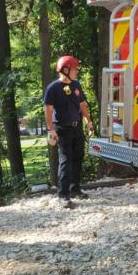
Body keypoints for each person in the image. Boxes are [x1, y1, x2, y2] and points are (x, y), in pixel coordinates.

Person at [44, 55, 95, 205]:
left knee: (78, 158)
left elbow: (82, 104)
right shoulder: (53, 88)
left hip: (76, 127)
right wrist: (51, 130)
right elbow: (48, 110)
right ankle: (63, 195)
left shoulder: (76, 85)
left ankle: (75, 188)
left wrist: (89, 122)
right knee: (65, 161)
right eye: (74, 69)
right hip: (62, 129)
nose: (76, 72)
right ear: (65, 70)